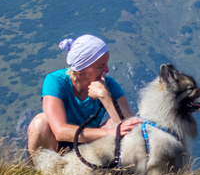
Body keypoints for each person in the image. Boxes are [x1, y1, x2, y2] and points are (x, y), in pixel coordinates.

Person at [26, 34, 142, 162]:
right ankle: (39, 171)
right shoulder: (55, 81)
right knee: (40, 122)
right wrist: (109, 133)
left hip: (89, 144)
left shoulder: (108, 85)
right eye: (100, 66)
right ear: (81, 68)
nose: (107, 70)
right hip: (56, 144)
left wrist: (105, 97)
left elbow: (131, 127)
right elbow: (60, 131)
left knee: (116, 123)